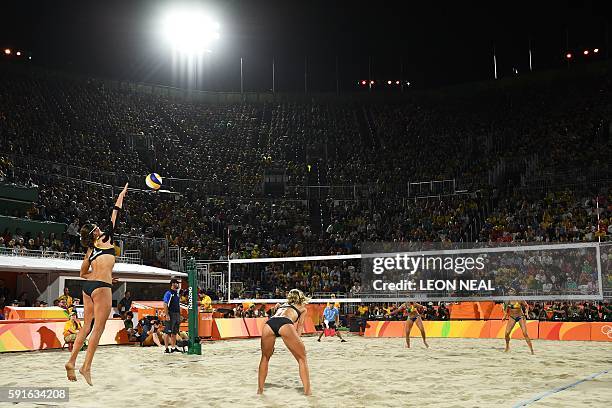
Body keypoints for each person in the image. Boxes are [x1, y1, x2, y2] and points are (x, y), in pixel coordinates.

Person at [64, 182, 128, 385]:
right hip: (101, 288)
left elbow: (83, 273)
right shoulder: (106, 237)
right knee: (98, 329)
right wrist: (122, 194)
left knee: (86, 328)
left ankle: (71, 361)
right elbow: (115, 212)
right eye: (96, 228)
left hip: (89, 288)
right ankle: (86, 367)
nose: (99, 227)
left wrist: (104, 277)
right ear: (95, 233)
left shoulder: (90, 250)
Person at [258, 289, 310, 395]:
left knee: (265, 357)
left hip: (269, 324)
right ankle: (308, 391)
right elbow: (300, 326)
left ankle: (260, 390)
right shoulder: (302, 309)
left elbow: (273, 314)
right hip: (285, 323)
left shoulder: (281, 305)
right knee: (302, 357)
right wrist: (298, 341)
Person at [162, 279, 181, 353]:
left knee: (174, 332)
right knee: (167, 332)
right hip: (170, 314)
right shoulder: (168, 293)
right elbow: (165, 304)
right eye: (177, 283)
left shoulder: (177, 293)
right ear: (173, 284)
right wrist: (167, 315)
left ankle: (173, 347)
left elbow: (177, 305)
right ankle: (166, 348)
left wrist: (180, 314)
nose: (178, 285)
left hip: (177, 314)